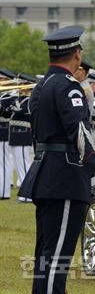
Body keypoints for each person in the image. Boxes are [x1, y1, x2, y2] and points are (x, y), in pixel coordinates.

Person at [17, 26, 95, 294]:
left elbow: (38, 132)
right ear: (77, 55)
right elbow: (79, 131)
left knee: (45, 257)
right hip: (66, 179)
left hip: (46, 174)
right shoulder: (69, 87)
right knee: (56, 258)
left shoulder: (41, 86)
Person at [9, 74, 35, 202]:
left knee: (24, 165)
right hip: (15, 134)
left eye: (22, 84)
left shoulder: (30, 99)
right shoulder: (20, 98)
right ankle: (24, 193)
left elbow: (20, 110)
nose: (19, 87)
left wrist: (14, 99)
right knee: (19, 165)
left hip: (23, 134)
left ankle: (28, 194)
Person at [0, 68, 16, 200]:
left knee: (3, 162)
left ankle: (4, 193)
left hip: (4, 131)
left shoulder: (11, 95)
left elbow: (6, 113)